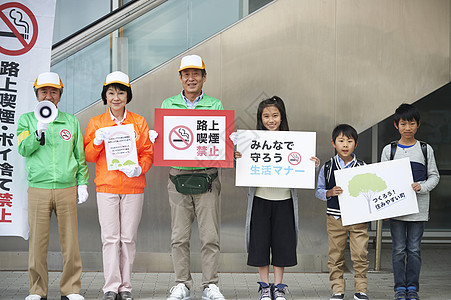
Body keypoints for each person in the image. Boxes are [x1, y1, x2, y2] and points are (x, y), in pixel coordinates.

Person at [233, 96, 319, 300]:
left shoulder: (294, 141)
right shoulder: (251, 141)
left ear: (282, 117)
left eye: (275, 115)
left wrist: (312, 164)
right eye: (266, 116)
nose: (270, 120)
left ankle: (278, 287)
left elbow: (301, 167)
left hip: (285, 200)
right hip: (260, 199)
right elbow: (242, 170)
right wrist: (238, 158)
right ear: (260, 118)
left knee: (282, 243)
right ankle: (264, 286)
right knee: (260, 243)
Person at [17, 72, 89, 300]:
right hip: (38, 188)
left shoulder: (70, 121)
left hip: (67, 187)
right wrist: (37, 132)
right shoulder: (26, 120)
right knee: (38, 242)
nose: (48, 95)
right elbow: (23, 149)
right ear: (37, 94)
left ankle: (71, 289)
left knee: (71, 243)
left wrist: (83, 183)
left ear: (60, 95)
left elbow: (80, 156)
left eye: (53, 91)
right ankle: (37, 290)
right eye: (44, 91)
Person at [83, 71, 153, 300]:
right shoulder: (96, 123)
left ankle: (126, 287)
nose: (116, 97)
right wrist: (96, 141)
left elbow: (147, 153)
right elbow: (90, 156)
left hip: (133, 187)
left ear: (127, 95)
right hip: (106, 187)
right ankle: (111, 287)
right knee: (110, 238)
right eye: (111, 93)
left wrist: (139, 168)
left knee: (128, 238)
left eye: (121, 92)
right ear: (105, 96)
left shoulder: (138, 121)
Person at [161, 55, 225, 300]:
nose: (191, 78)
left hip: (207, 178)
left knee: (210, 235)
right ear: (180, 77)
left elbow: (219, 142)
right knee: (179, 236)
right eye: (186, 74)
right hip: (178, 177)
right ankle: (182, 284)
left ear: (204, 77)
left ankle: (210, 284)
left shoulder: (215, 105)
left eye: (196, 74)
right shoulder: (168, 104)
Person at [380, 104, 439, 300]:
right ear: (396, 125)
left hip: (418, 210)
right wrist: (385, 209)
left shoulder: (425, 148)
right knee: (398, 250)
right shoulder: (389, 150)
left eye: (411, 123)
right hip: (397, 211)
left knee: (414, 250)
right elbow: (383, 181)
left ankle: (412, 288)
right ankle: (399, 289)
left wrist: (422, 187)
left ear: (418, 125)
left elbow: (434, 176)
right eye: (403, 123)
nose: (407, 127)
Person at [315, 124, 370, 300]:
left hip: (358, 217)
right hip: (335, 216)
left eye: (349, 141)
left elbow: (371, 191)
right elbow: (319, 191)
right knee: (335, 255)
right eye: (341, 141)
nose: (345, 145)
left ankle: (361, 290)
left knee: (360, 254)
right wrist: (330, 193)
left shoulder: (363, 166)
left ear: (355, 144)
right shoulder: (328, 166)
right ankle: (337, 289)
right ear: (333, 143)